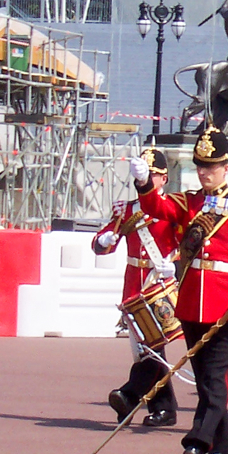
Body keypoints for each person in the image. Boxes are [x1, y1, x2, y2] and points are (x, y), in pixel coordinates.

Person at [133, 126, 228, 454]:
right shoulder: (190, 202)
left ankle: (197, 443)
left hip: (227, 304)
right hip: (193, 301)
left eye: (211, 167)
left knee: (215, 380)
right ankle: (223, 452)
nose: (205, 173)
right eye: (200, 167)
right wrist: (145, 183)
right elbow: (157, 208)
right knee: (205, 378)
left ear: (227, 166)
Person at [93, 146, 179, 427]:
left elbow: (187, 245)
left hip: (160, 285)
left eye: (153, 174)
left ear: (163, 178)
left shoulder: (173, 208)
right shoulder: (127, 209)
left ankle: (130, 397)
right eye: (144, 173)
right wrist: (103, 241)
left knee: (151, 347)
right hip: (134, 284)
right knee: (143, 348)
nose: (148, 178)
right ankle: (163, 408)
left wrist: (174, 266)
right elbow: (105, 241)